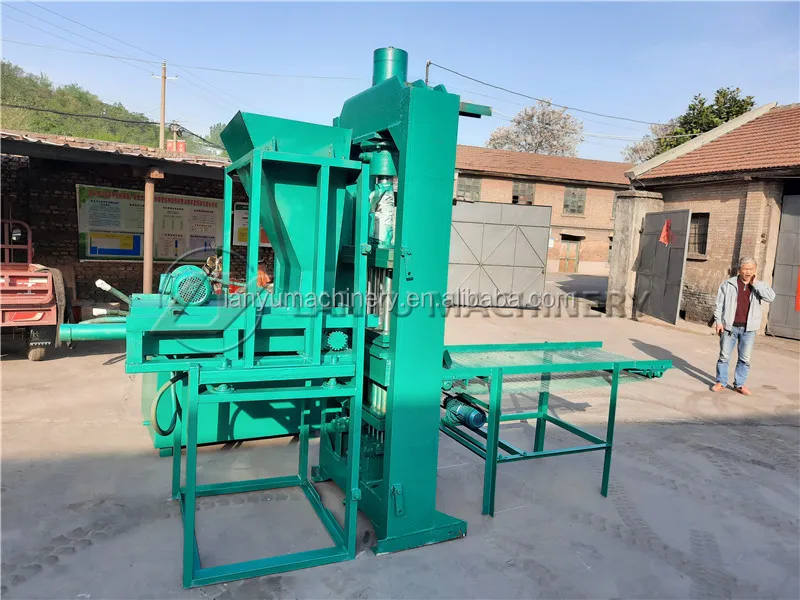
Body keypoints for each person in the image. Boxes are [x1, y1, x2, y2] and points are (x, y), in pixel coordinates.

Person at [712, 257, 775, 395]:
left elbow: (770, 297)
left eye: (751, 269)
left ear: (755, 270)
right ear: (739, 270)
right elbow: (719, 304)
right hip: (730, 327)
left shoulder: (760, 285)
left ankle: (739, 384)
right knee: (724, 356)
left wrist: (755, 284)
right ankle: (721, 382)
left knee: (745, 359)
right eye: (745, 269)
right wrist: (718, 321)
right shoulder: (728, 284)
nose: (748, 272)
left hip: (749, 329)